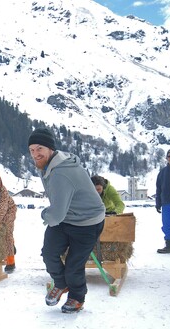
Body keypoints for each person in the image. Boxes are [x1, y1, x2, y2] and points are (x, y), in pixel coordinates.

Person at [28, 127, 105, 313]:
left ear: (50, 149)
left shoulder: (60, 173)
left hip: (88, 221)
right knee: (49, 253)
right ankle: (61, 284)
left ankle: (77, 297)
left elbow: (55, 215)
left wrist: (44, 214)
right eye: (32, 150)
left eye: (40, 149)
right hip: (67, 217)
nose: (35, 154)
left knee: (73, 266)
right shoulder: (49, 165)